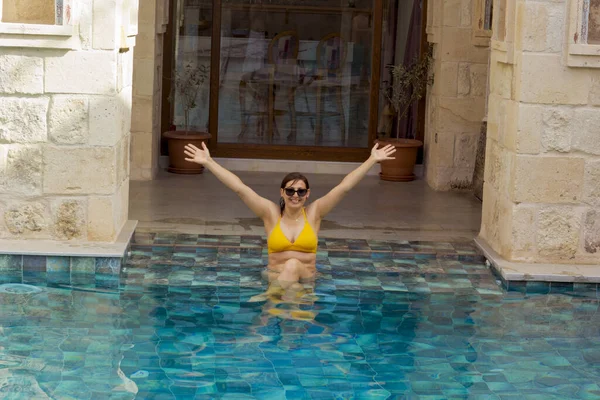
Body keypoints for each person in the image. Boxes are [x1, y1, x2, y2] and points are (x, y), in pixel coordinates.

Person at [183, 142, 396, 290]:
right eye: (290, 191)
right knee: (292, 297)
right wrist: (209, 162)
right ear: (282, 192)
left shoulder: (315, 213)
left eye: (301, 191)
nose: (296, 195)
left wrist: (372, 160)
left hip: (307, 277)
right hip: (275, 276)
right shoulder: (270, 214)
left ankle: (271, 303)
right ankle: (286, 308)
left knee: (293, 265)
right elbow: (240, 189)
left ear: (307, 194)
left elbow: (344, 188)